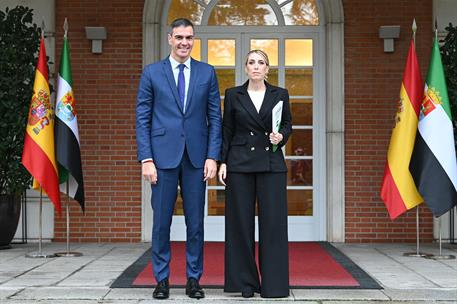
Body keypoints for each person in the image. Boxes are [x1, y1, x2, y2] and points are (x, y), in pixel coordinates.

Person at [136, 18, 222, 300]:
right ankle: (161, 280)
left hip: (197, 159)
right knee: (161, 222)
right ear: (169, 39)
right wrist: (146, 158)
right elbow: (142, 118)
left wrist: (213, 156)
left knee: (195, 223)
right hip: (162, 158)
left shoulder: (207, 73)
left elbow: (214, 118)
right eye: (179, 37)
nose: (184, 42)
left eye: (189, 37)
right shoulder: (152, 73)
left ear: (193, 40)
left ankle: (193, 279)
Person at [218, 50, 292, 298]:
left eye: (261, 63)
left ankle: (274, 285)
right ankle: (245, 284)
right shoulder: (233, 94)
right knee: (240, 225)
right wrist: (223, 161)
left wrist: (281, 137)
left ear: (267, 68)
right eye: (252, 62)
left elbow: (287, 124)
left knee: (274, 225)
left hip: (271, 163)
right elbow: (227, 129)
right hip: (239, 164)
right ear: (246, 68)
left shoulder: (280, 94)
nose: (256, 67)